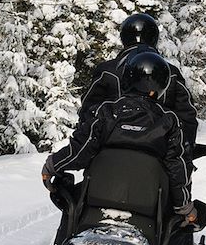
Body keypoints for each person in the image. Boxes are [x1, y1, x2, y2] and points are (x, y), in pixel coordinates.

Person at [42, 52, 197, 245]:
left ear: (126, 79)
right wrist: (184, 206)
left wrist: (53, 165)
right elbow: (177, 168)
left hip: (98, 201)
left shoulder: (106, 112)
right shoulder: (168, 121)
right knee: (178, 221)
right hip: (146, 208)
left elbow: (80, 149)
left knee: (68, 195)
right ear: (160, 87)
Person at [79, 13, 198, 151]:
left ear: (125, 37)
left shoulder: (107, 70)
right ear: (154, 37)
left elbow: (88, 109)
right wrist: (186, 147)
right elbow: (187, 115)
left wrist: (85, 140)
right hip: (157, 150)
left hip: (109, 148)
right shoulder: (170, 72)